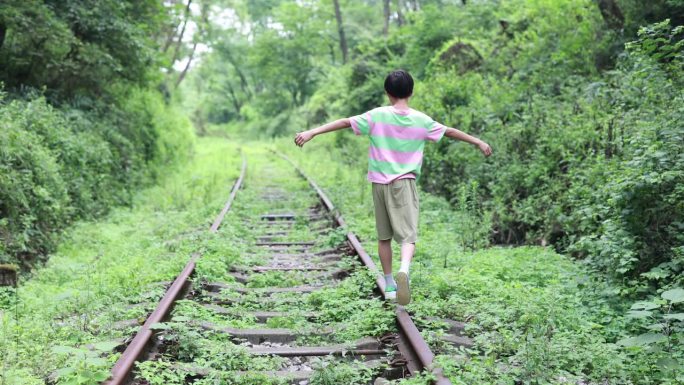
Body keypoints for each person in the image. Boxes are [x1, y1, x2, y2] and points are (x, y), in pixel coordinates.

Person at [294, 69, 492, 305]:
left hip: (379, 184)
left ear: (388, 93)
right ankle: (404, 270)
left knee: (384, 237)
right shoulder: (422, 120)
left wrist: (312, 132)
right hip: (404, 183)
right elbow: (449, 132)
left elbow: (346, 122)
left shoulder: (377, 115)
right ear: (412, 92)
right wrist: (477, 141)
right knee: (408, 236)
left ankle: (389, 284)